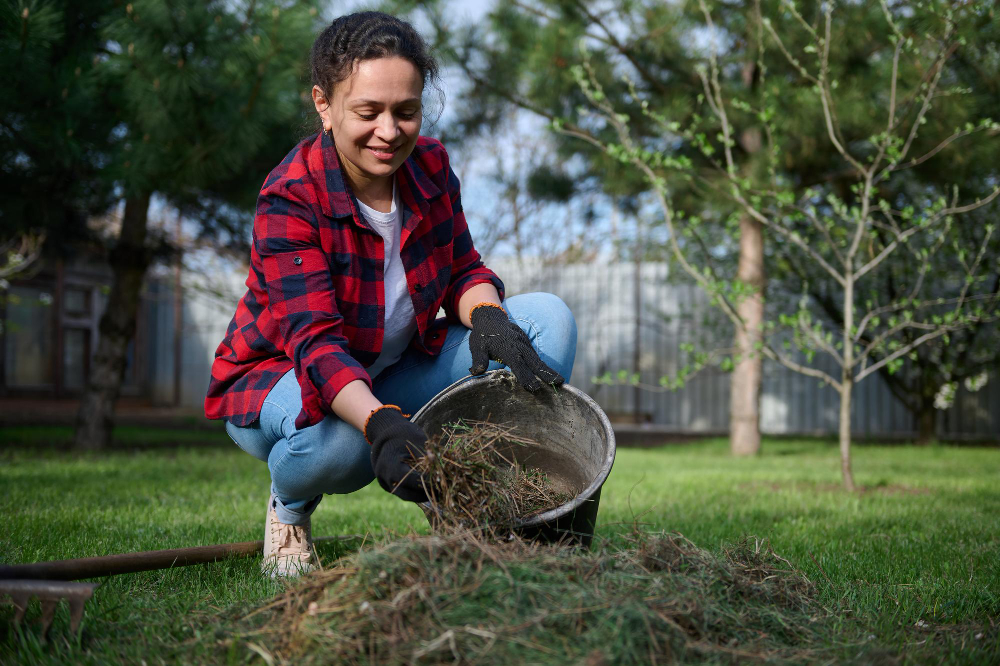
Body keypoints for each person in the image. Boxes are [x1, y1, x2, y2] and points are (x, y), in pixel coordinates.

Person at [204, 11, 577, 578]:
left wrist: (489, 317)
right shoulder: (290, 198)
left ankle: (472, 499)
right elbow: (315, 344)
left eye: (406, 111)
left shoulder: (429, 167)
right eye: (367, 112)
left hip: (391, 367)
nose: (389, 131)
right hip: (283, 378)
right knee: (346, 448)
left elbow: (462, 270)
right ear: (324, 104)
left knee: (548, 321)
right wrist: (381, 425)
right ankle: (289, 506)